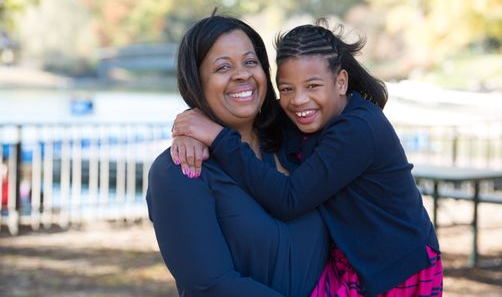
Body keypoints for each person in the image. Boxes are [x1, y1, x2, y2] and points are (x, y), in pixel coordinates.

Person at [171, 20, 443, 297]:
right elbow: (245, 113)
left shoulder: (358, 128)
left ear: (340, 81)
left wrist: (217, 138)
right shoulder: (305, 115)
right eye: (286, 89)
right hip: (354, 260)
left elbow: (290, 199)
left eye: (312, 85)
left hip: (396, 267)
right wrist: (190, 131)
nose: (299, 100)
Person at [147, 15, 333, 297]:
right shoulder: (180, 170)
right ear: (196, 82)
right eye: (223, 67)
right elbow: (211, 286)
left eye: (250, 62)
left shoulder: (299, 144)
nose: (242, 74)